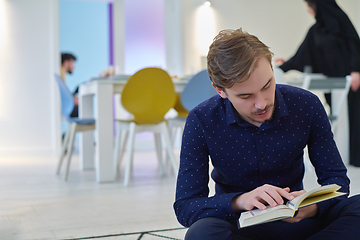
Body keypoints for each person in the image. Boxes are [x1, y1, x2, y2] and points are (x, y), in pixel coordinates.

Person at [173, 28, 360, 240]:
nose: (261, 103)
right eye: (245, 96)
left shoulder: (306, 105)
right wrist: (241, 201)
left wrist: (313, 207)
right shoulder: (201, 119)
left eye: (267, 85)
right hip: (237, 227)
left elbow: (337, 181)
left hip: (300, 224)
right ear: (220, 90)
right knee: (201, 233)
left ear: (272, 69)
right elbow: (186, 207)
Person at [276, 0, 360, 167]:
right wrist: (281, 67)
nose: (308, 10)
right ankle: (346, 160)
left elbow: (355, 46)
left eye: (309, 6)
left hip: (352, 83)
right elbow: (301, 56)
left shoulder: (342, 23)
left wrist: (356, 70)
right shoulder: (315, 31)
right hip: (333, 85)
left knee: (356, 119)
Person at [61, 53, 78, 118]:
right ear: (66, 62)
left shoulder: (62, 72)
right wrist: (72, 99)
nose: (74, 67)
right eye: (72, 63)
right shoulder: (61, 72)